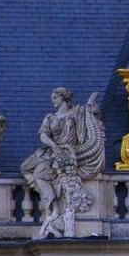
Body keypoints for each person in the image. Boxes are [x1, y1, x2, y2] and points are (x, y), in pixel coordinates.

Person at [21, 87, 105, 238]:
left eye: (55, 97)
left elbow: (94, 116)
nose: (53, 100)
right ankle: (53, 206)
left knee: (56, 174)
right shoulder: (50, 118)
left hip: (72, 152)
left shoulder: (77, 113)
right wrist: (54, 146)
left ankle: (57, 211)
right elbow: (43, 135)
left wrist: (95, 109)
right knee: (28, 169)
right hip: (53, 151)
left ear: (63, 98)